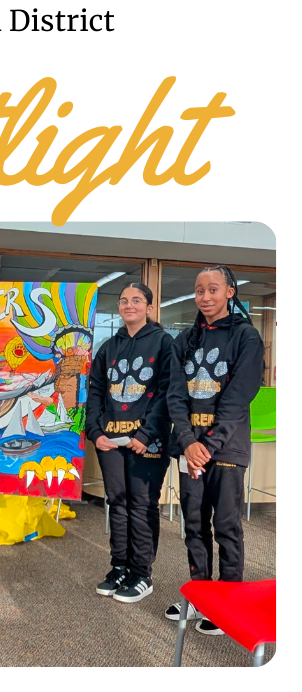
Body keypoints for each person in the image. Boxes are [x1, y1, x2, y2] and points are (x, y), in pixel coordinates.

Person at [165, 264, 265, 635]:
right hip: (190, 447)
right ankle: (200, 595)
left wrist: (206, 446)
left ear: (229, 293)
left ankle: (229, 599)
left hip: (226, 449)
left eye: (213, 289)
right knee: (194, 525)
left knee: (225, 526)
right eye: (199, 290)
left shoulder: (246, 337)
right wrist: (187, 442)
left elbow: (239, 398)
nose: (205, 297)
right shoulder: (184, 340)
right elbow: (175, 395)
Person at [86, 282, 173, 603]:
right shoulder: (109, 347)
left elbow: (167, 393)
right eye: (124, 300)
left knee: (142, 504)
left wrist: (145, 435)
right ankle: (120, 566)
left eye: (136, 300)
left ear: (149, 307)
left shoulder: (163, 343)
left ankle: (141, 574)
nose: (129, 305)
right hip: (110, 438)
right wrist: (95, 432)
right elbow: (95, 391)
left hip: (146, 441)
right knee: (118, 503)